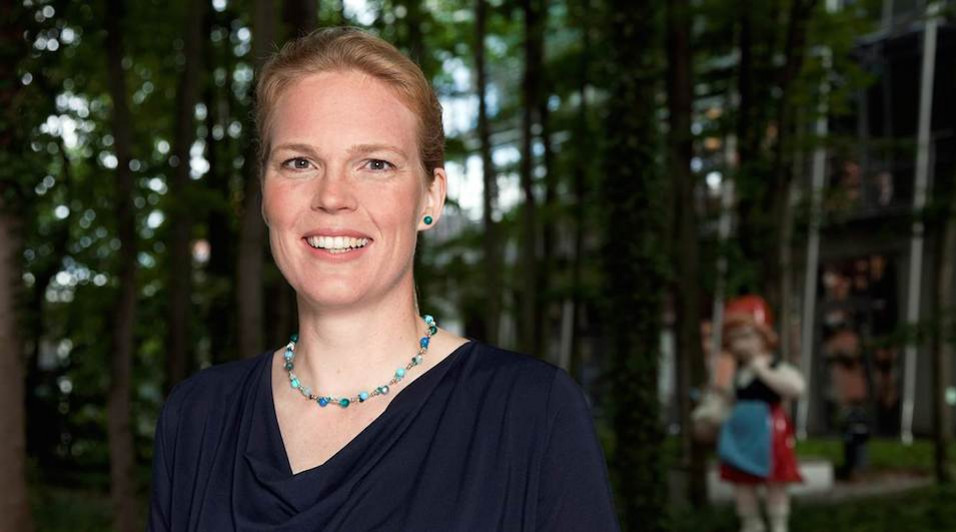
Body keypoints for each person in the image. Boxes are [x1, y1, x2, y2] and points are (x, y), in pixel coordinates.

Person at [146, 27, 619, 532]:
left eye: (375, 164)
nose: (332, 196)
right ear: (264, 193)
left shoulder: (531, 413)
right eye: (300, 162)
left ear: (431, 196)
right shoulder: (198, 418)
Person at [717, 295, 805, 532]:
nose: (740, 344)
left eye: (746, 336)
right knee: (742, 484)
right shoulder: (737, 373)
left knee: (775, 481)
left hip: (769, 432)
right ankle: (750, 523)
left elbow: (797, 388)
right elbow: (728, 399)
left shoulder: (773, 366)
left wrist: (764, 372)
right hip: (740, 435)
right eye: (735, 338)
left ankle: (778, 524)